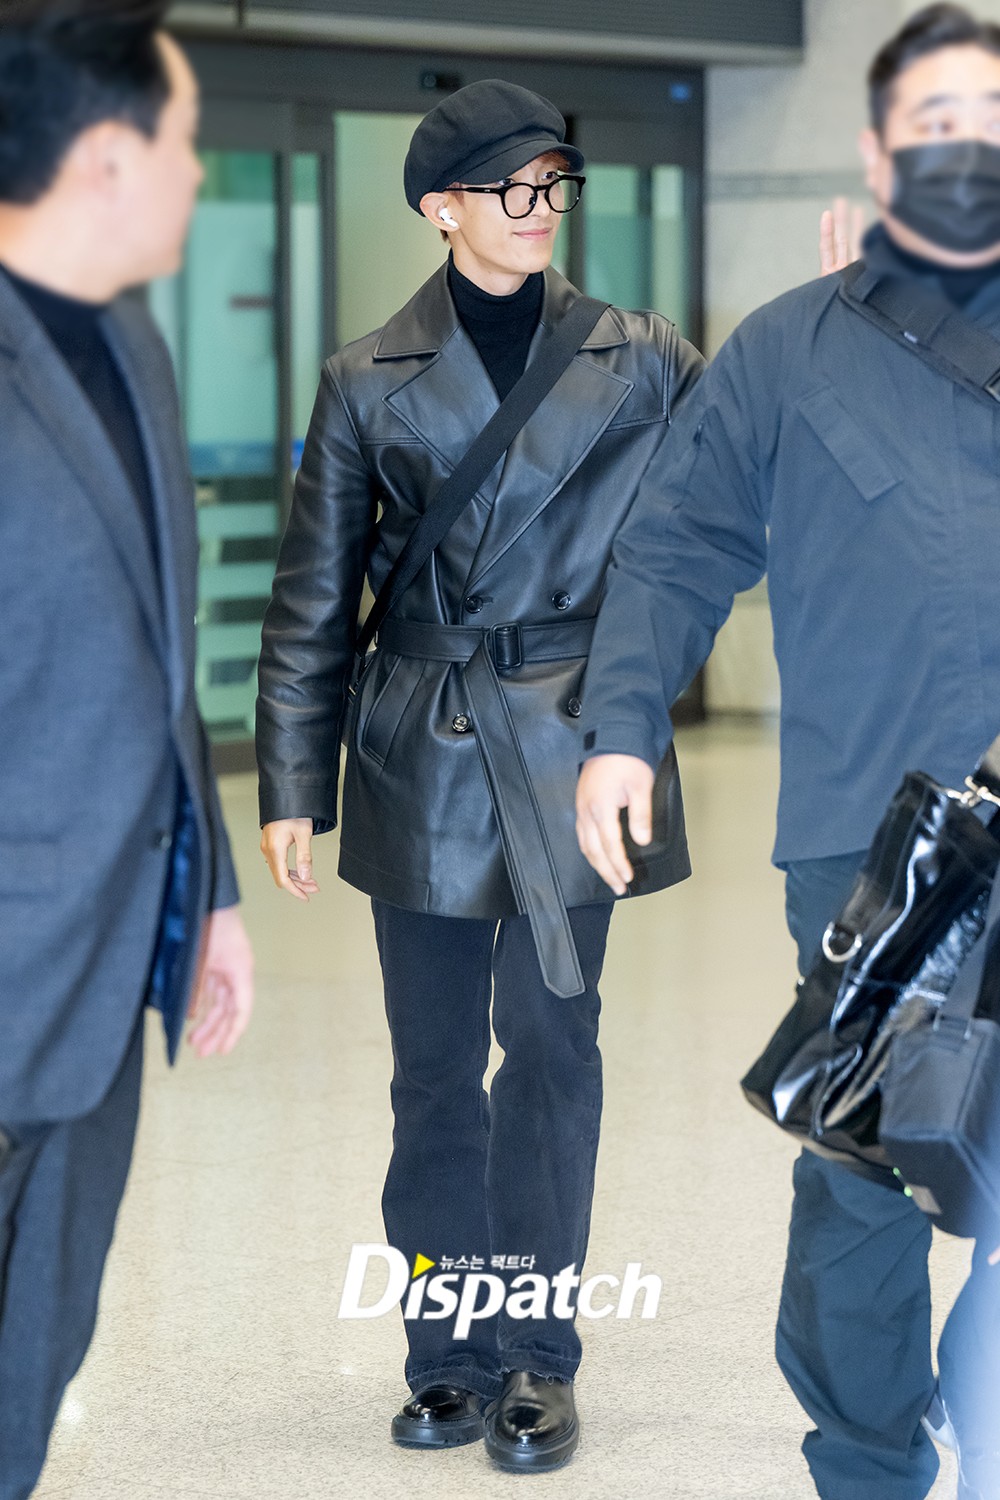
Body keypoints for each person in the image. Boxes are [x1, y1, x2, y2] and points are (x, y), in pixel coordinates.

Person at [576, 6, 1000, 1498]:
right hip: (875, 846)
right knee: (872, 1170)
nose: (968, 151)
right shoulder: (787, 351)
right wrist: (621, 728)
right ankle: (869, 1461)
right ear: (879, 156)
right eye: (936, 126)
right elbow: (677, 545)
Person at [256, 78, 702, 1472]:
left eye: (554, 183)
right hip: (425, 747)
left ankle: (537, 1358)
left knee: (554, 1052)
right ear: (441, 209)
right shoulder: (364, 377)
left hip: (578, 740)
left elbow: (732, 499)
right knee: (436, 1069)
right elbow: (313, 596)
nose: (540, 207)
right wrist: (292, 782)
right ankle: (444, 1352)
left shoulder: (645, 358)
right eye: (513, 187)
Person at [0, 5, 255, 1496]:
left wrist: (205, 891)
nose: (199, 171)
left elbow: (162, 658)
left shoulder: (133, 343)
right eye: (185, 138)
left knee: (39, 1346)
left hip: (106, 967)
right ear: (105, 157)